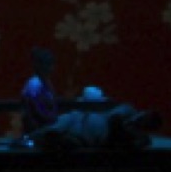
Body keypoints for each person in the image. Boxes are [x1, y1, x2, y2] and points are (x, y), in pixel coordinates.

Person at [18, 47, 162, 151]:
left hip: (94, 136)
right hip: (77, 121)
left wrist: (133, 134)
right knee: (64, 123)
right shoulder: (128, 109)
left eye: (147, 123)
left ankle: (55, 140)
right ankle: (33, 139)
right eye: (145, 116)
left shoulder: (139, 136)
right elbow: (114, 118)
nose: (51, 68)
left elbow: (128, 142)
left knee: (69, 136)